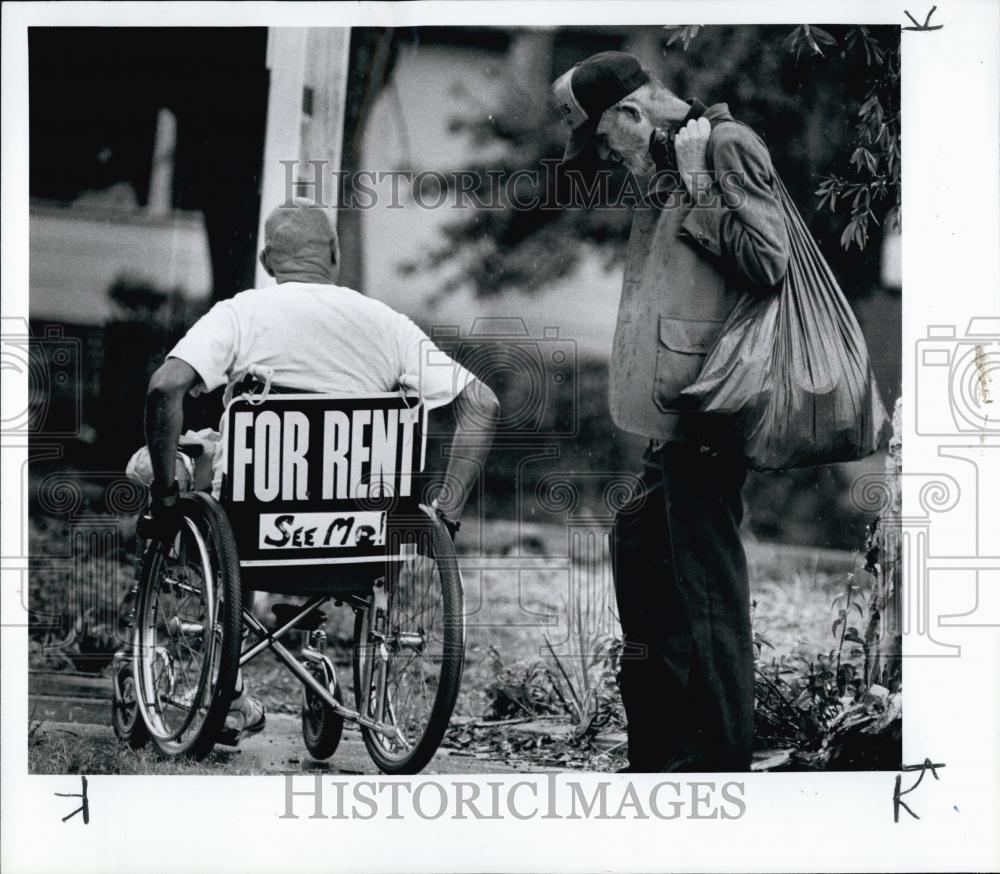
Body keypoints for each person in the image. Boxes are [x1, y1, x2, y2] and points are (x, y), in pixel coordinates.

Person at [142, 199, 499, 743]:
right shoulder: (387, 325)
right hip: (360, 542)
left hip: (250, 536)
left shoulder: (241, 314)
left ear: (268, 260)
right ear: (333, 254)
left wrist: (169, 497)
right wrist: (444, 516)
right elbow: (482, 403)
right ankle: (309, 642)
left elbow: (165, 387)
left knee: (148, 465)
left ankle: (222, 686)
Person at [552, 52, 790, 771]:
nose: (601, 153)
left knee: (707, 591)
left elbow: (768, 261)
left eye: (601, 138)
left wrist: (695, 188)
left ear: (629, 114)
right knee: (642, 549)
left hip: (712, 407)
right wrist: (671, 181)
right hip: (674, 417)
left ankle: (717, 765)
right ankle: (660, 754)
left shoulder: (725, 147)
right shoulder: (666, 163)